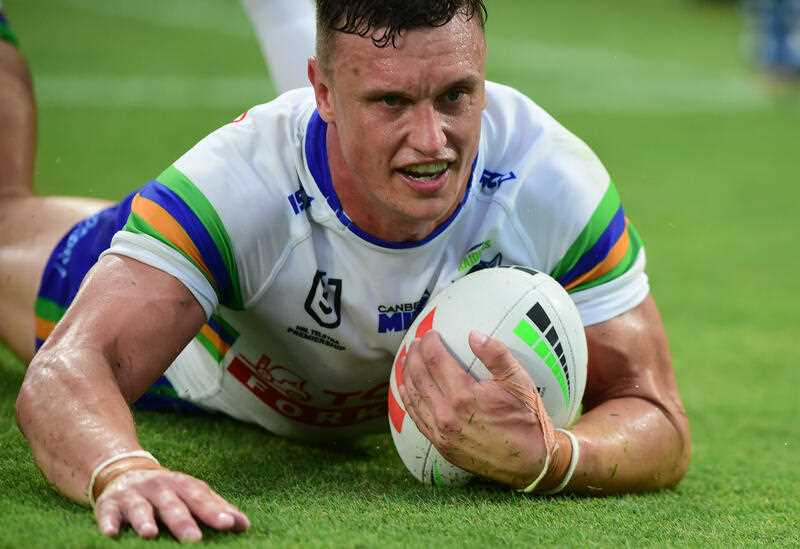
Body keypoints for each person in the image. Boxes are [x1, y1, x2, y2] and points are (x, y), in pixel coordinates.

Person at [3, 0, 691, 542]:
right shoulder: (240, 184)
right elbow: (68, 369)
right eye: (391, 102)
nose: (432, 141)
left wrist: (557, 455)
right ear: (323, 93)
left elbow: (657, 413)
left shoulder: (549, 177)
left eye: (455, 95)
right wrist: (121, 469)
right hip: (195, 368)